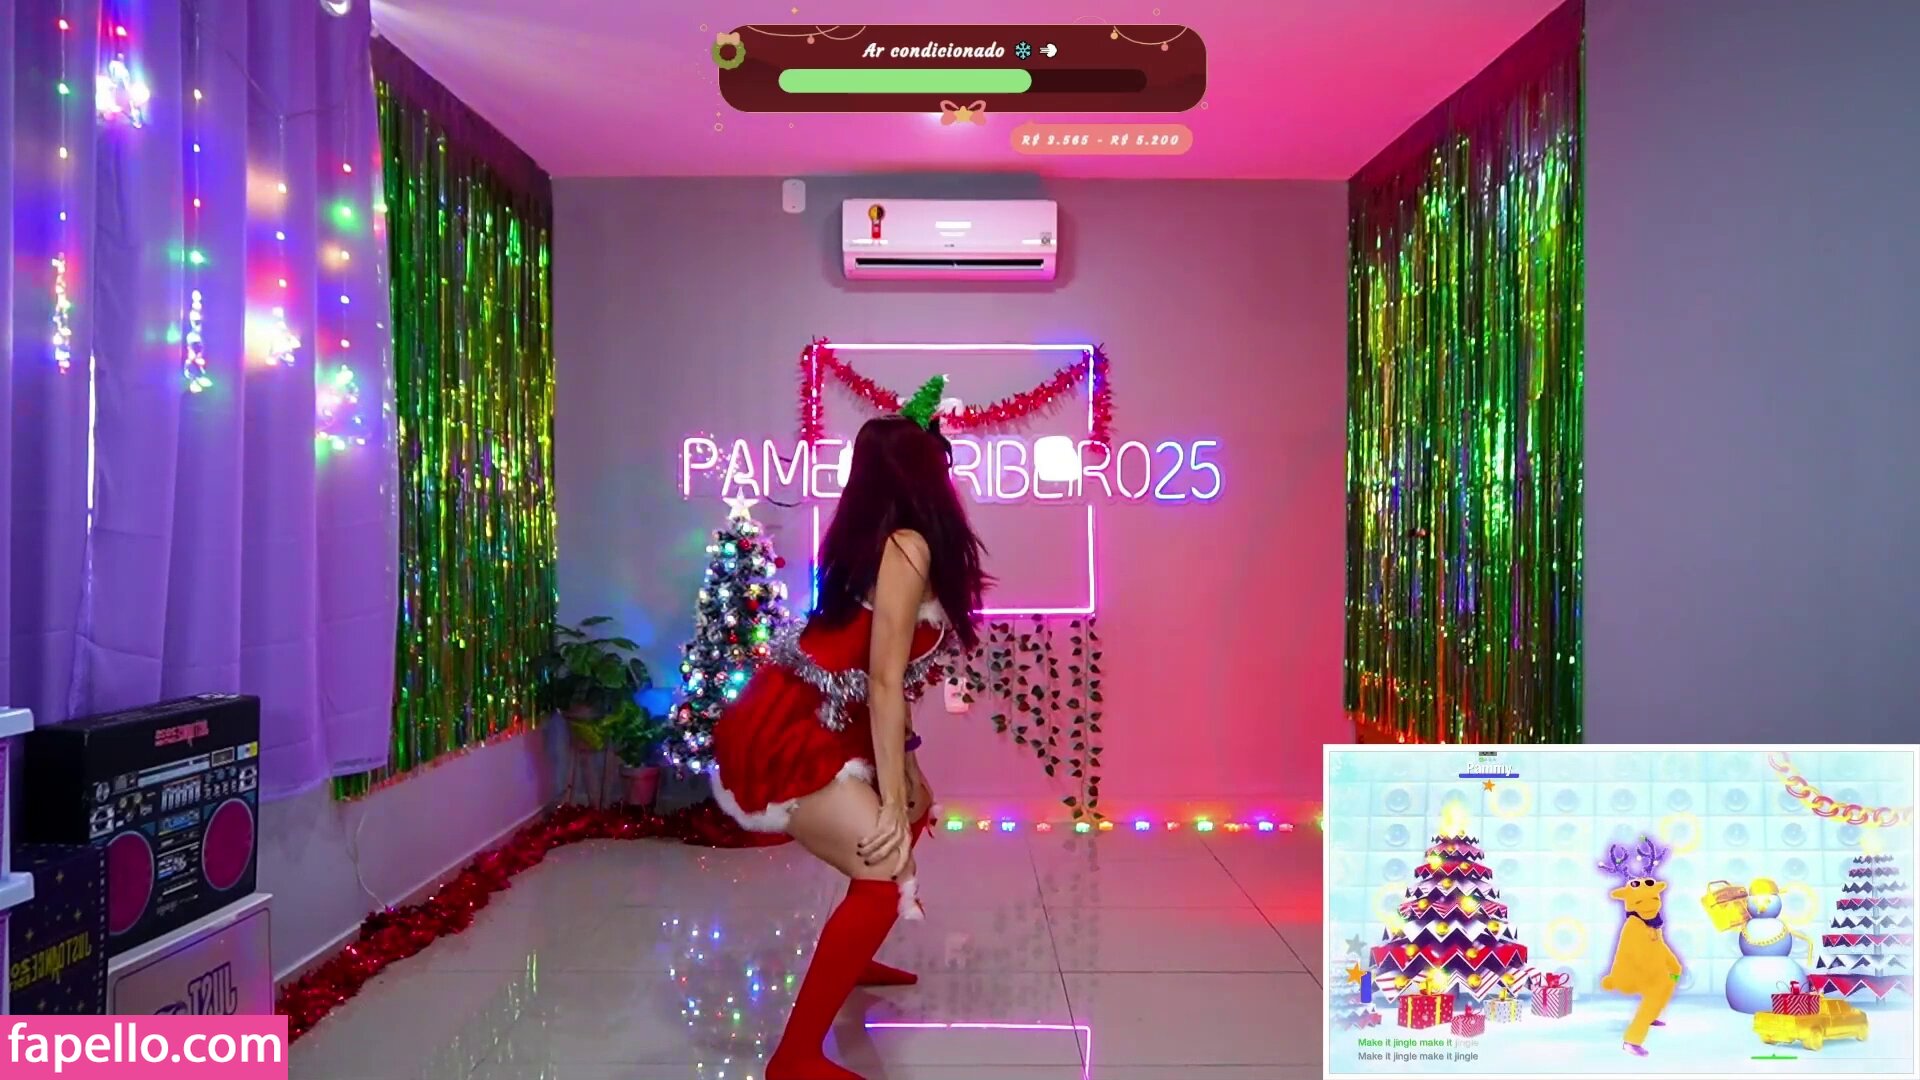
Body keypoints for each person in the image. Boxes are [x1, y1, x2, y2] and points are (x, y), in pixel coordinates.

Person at [710, 380, 988, 1080]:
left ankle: (855, 953)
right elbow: (884, 680)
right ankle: (794, 1058)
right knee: (885, 866)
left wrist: (908, 776)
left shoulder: (900, 545)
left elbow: (888, 680)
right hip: (793, 725)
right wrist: (888, 798)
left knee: (915, 812)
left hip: (835, 715)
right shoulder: (906, 546)